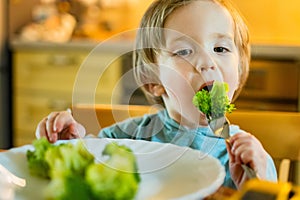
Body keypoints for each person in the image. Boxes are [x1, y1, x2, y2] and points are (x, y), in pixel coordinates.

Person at [35, 0, 277, 189]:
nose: (207, 62)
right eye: (184, 51)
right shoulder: (124, 140)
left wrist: (257, 185)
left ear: (239, 69)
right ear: (153, 82)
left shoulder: (250, 158)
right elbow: (90, 177)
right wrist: (70, 147)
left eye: (220, 48)